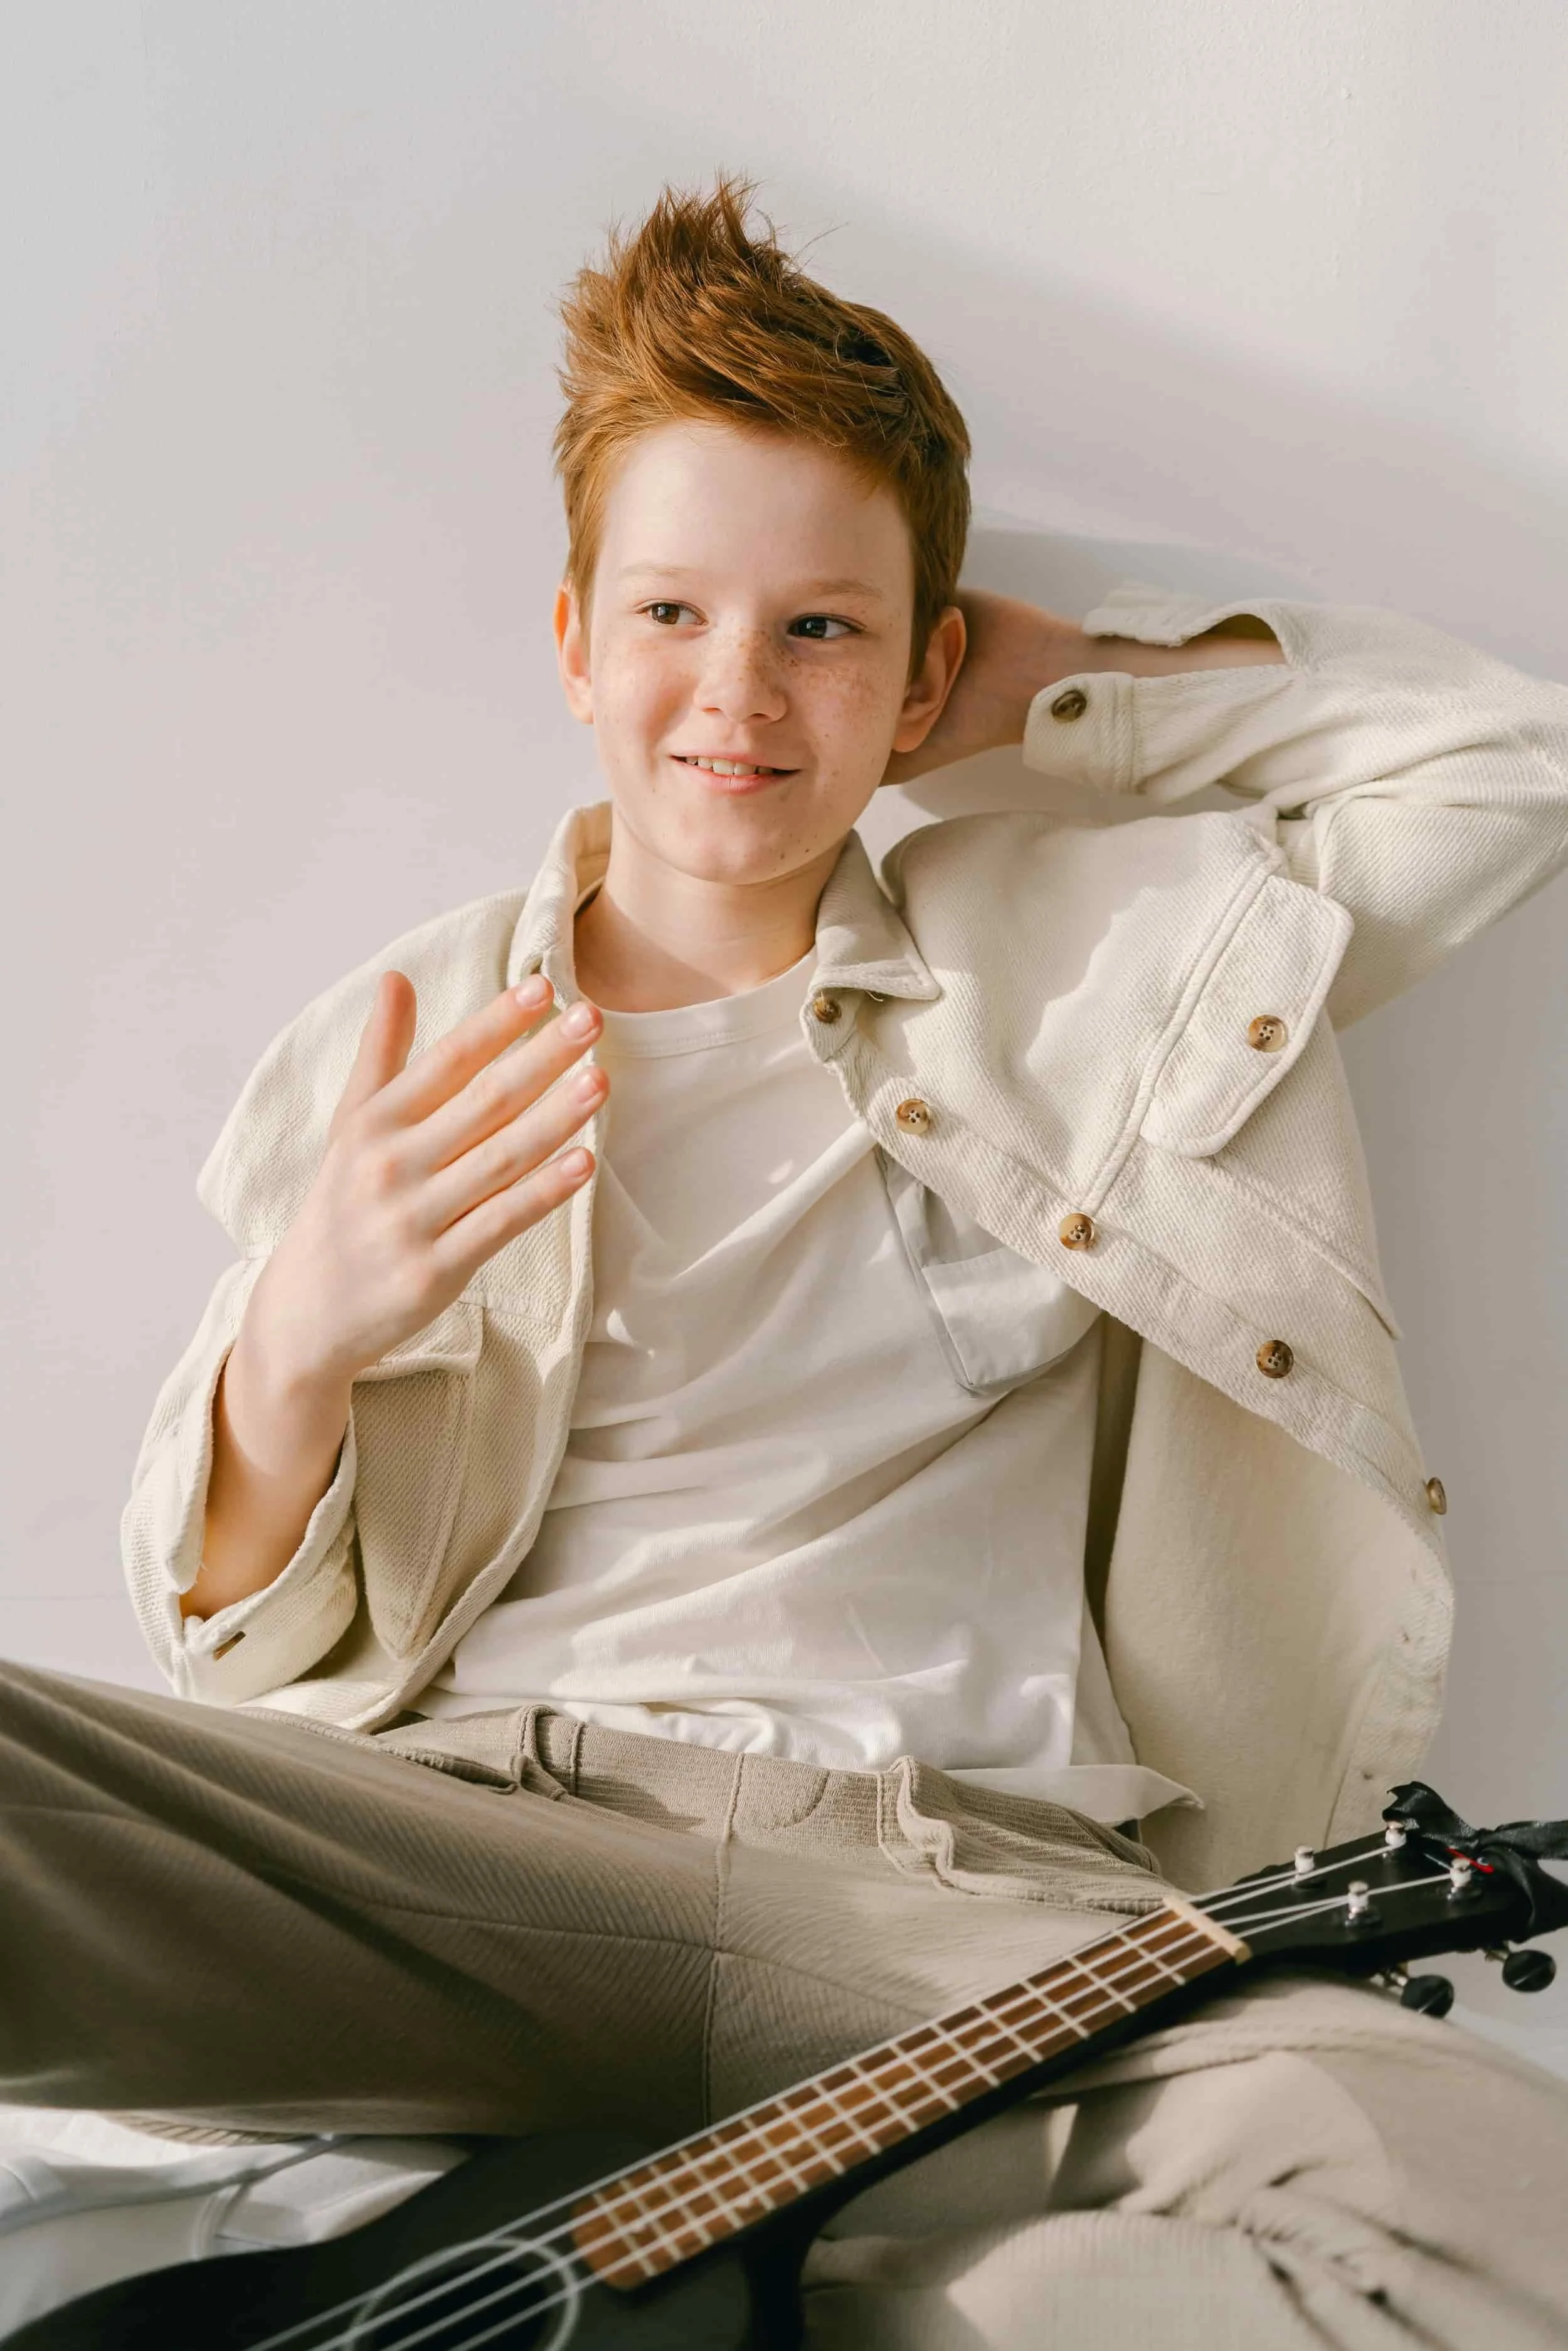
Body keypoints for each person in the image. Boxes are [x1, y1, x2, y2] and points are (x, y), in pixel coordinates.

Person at [6, 174, 1568, 2349]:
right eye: (667, 615)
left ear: (920, 661)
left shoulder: (1098, 977)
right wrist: (295, 1339)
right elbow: (241, 1666)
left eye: (821, 626)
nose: (731, 689)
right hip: (482, 1860)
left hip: (961, 1897)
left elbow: (1505, 774)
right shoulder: (398, 1042)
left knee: (1494, 2199)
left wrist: (1062, 690)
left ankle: (809, 2280)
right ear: (571, 641)